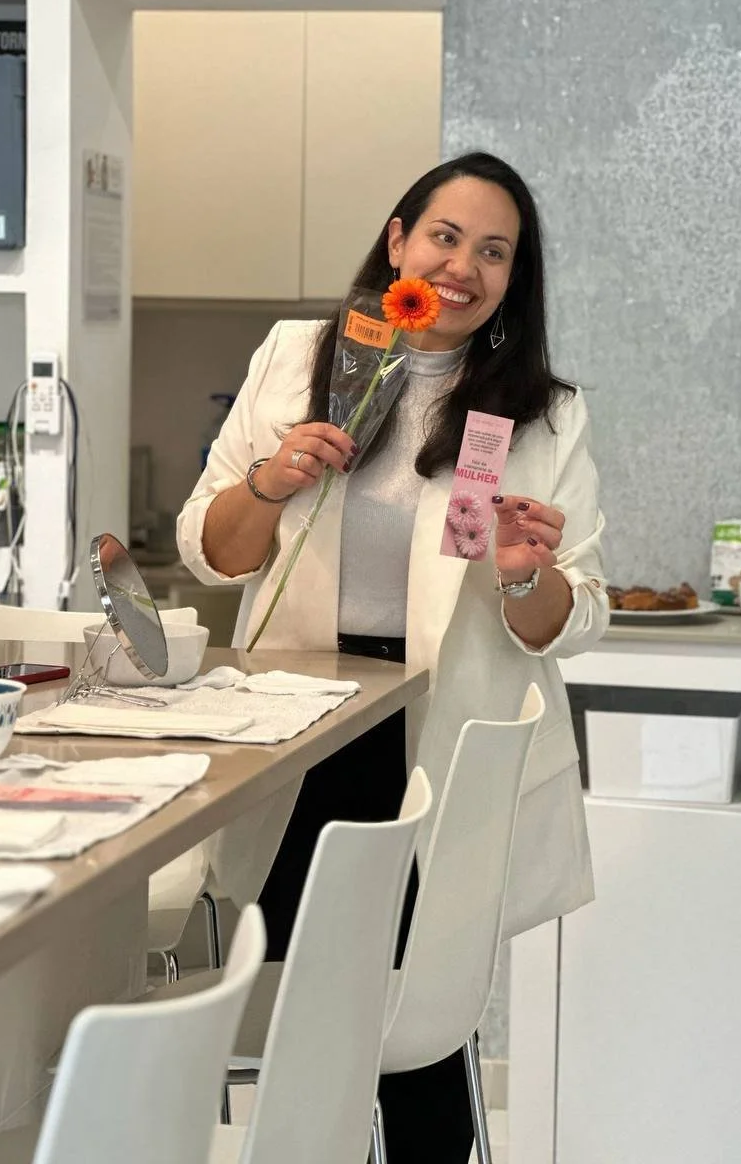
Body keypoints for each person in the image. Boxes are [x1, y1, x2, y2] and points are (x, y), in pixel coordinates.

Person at [177, 150, 610, 1163]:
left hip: (438, 742)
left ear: (515, 280)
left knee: (414, 1039)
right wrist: (274, 480)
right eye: (446, 237)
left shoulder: (533, 411)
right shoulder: (298, 357)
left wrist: (519, 573)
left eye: (495, 252)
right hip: (297, 738)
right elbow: (213, 546)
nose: (463, 266)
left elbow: (575, 614)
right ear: (398, 243)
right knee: (295, 1015)